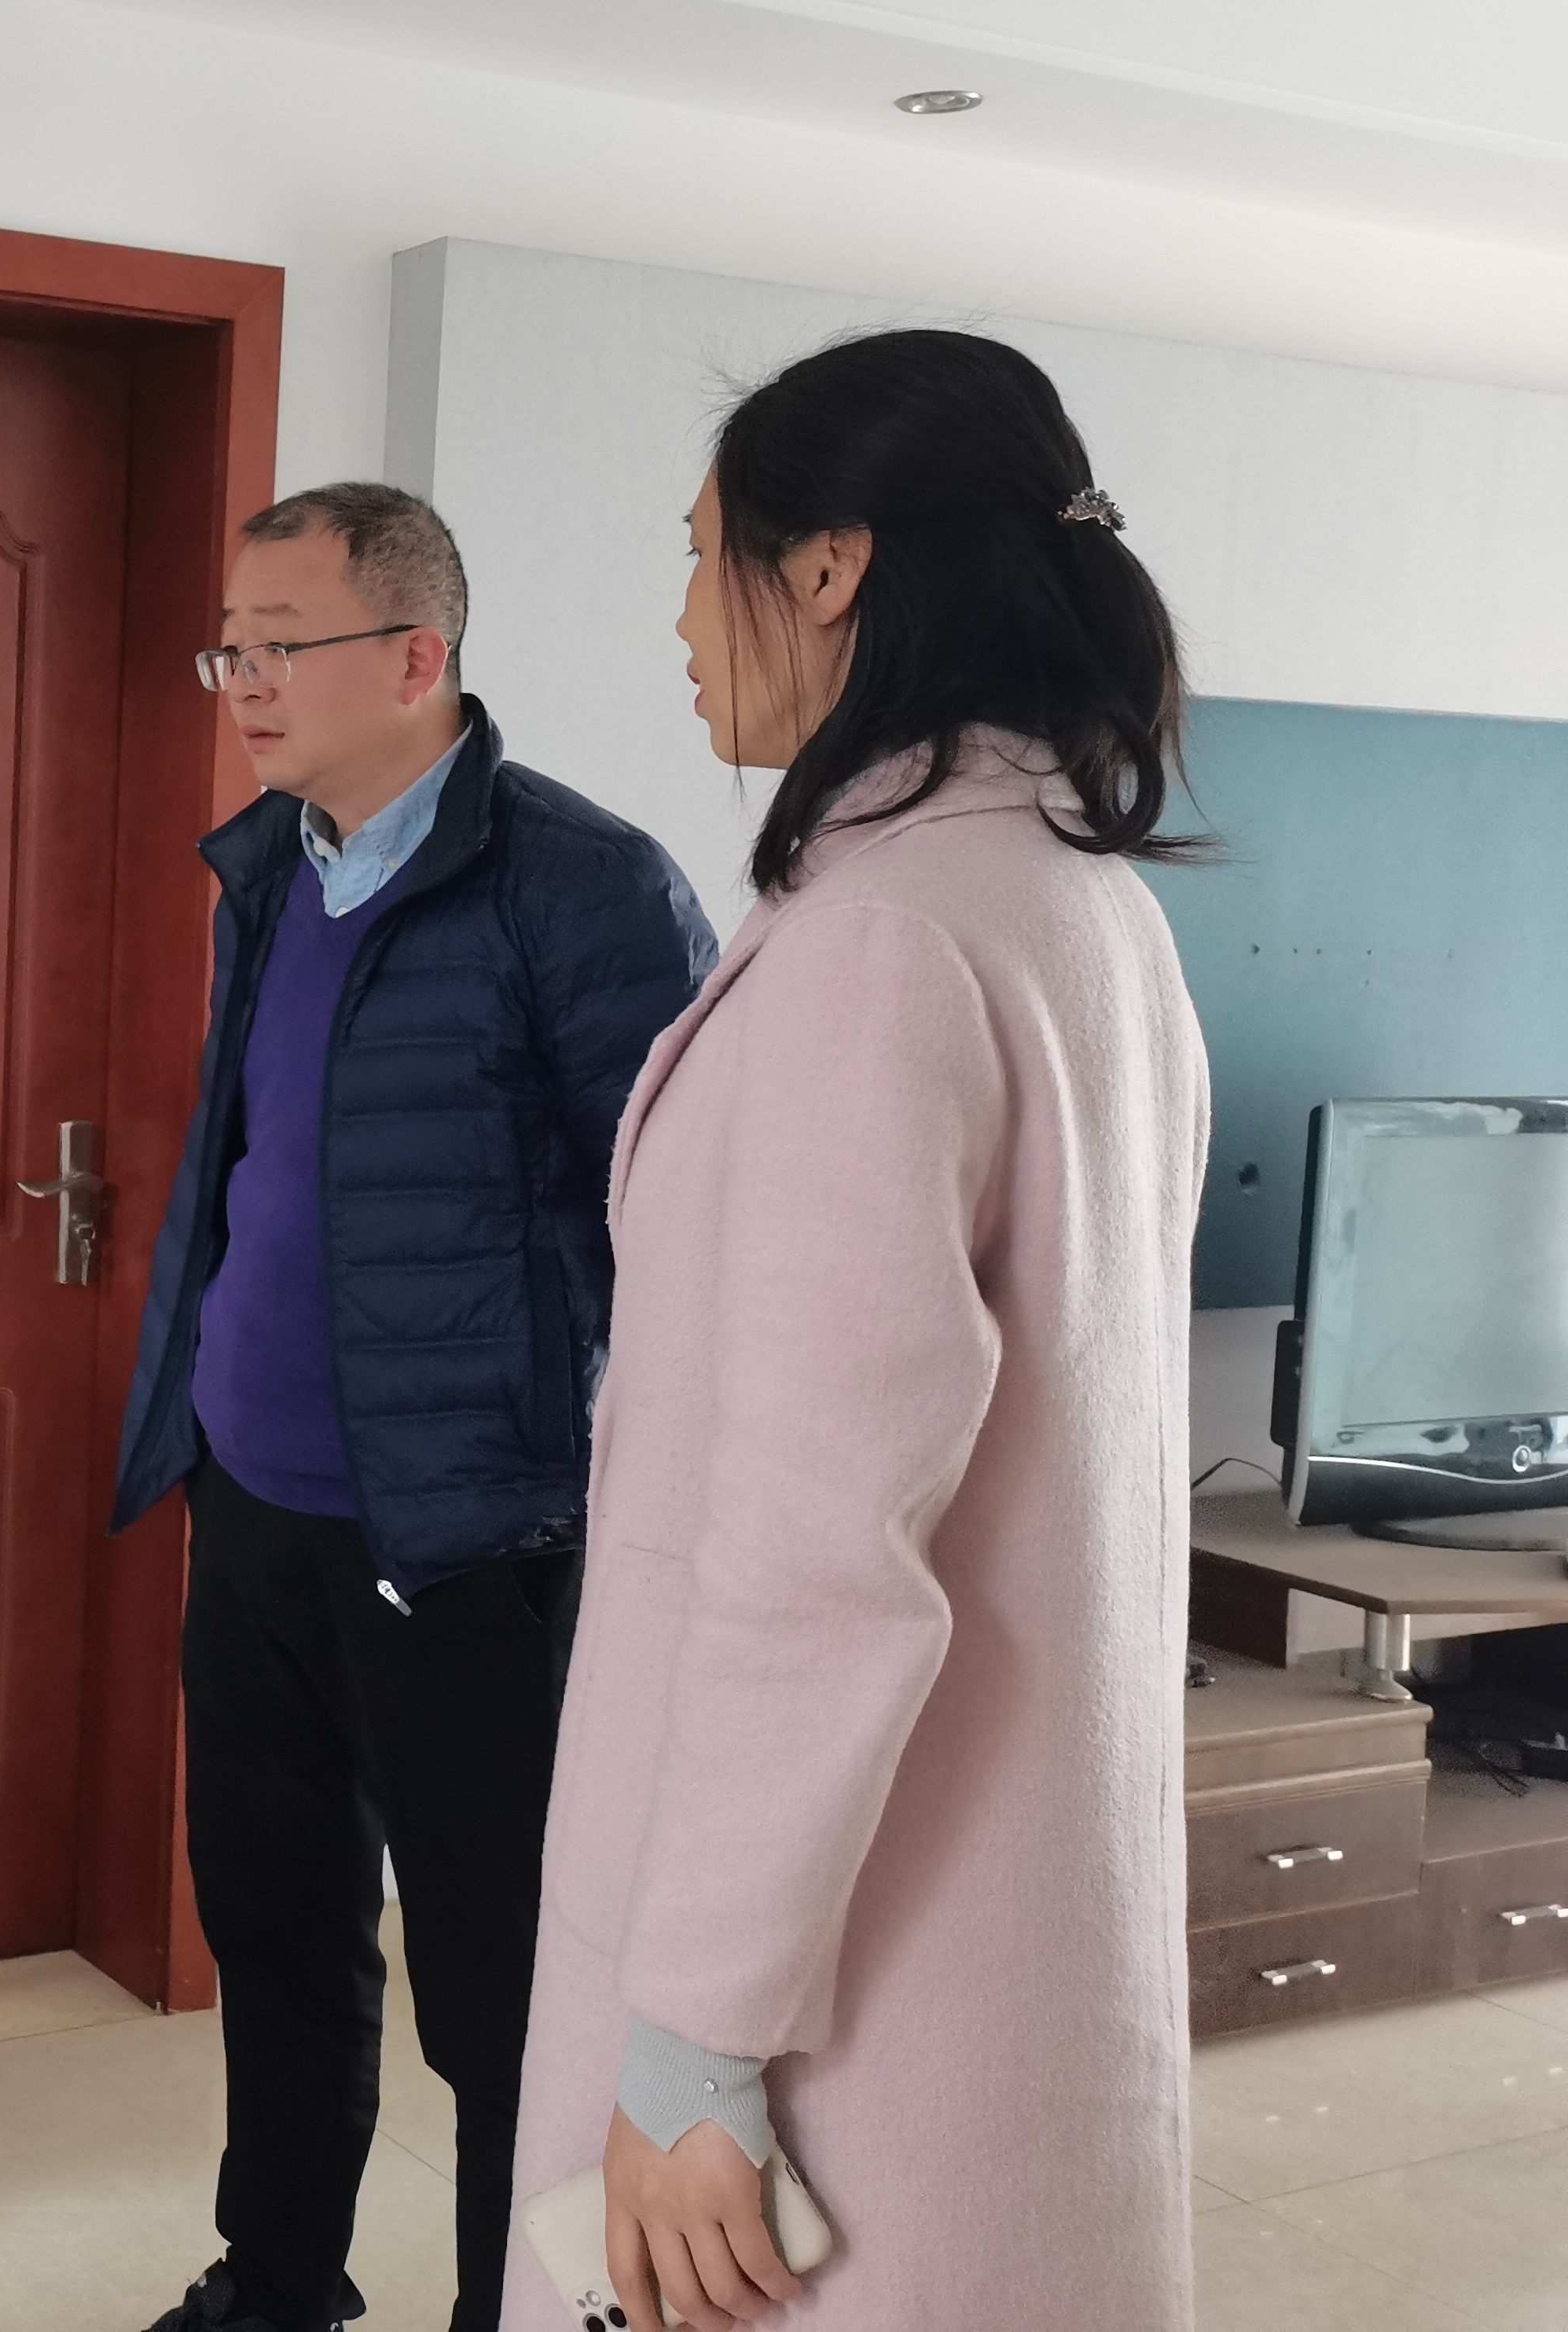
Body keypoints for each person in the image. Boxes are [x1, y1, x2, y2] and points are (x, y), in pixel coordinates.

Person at [509, 330, 1210, 2330]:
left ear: (828, 568)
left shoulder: (878, 950)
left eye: (701, 554)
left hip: (840, 1983)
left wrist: (697, 2039)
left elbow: (816, 1558)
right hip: (1006, 1908)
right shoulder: (1081, 908)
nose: (680, 619)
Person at [117, 485, 717, 2332]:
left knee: (501, 2000)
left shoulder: (585, 886)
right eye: (229, 649)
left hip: (468, 1546)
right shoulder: (269, 869)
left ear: (415, 657)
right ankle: (278, 2284)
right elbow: (256, 1169)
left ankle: (507, 2315)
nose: (243, 683)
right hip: (253, 1512)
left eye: (278, 645)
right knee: (276, 1933)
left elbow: (683, 1239)